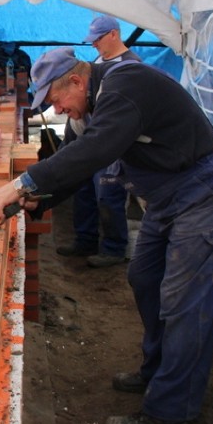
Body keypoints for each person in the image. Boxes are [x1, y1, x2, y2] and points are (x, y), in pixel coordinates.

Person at [0, 47, 213, 424]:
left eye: (56, 100)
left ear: (76, 80)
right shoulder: (100, 99)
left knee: (185, 300)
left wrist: (24, 182)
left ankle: (171, 411)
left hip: (199, 190)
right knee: (143, 276)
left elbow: (97, 148)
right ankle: (157, 369)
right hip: (165, 195)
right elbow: (85, 157)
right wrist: (44, 199)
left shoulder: (125, 84)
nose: (56, 111)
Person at [53, 15, 139, 268]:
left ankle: (114, 248)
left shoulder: (129, 66)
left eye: (98, 39)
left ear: (114, 34)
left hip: (109, 145)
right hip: (89, 139)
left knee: (108, 195)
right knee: (84, 190)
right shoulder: (97, 63)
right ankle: (86, 239)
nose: (94, 45)